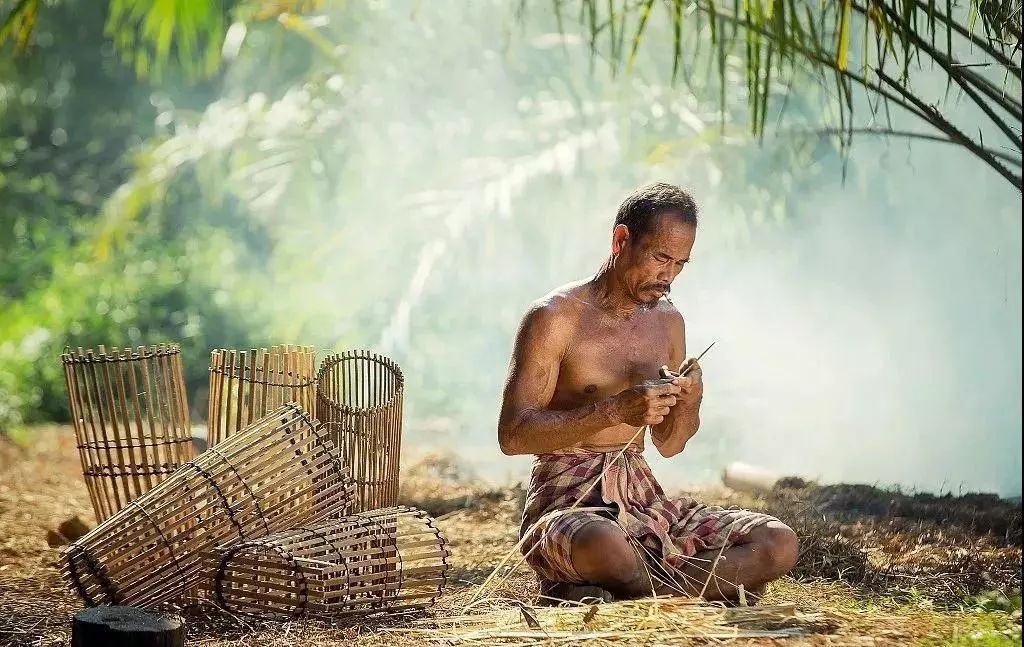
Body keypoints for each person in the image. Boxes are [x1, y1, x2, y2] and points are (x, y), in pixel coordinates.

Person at [497, 182, 798, 603]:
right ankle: (687, 587)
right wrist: (615, 410)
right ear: (621, 240)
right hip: (568, 501)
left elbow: (670, 444)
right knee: (603, 543)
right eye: (660, 258)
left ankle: (632, 590)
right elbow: (513, 436)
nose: (668, 277)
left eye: (680, 264)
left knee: (777, 541)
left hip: (644, 502)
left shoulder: (669, 323)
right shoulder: (555, 317)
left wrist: (690, 403)